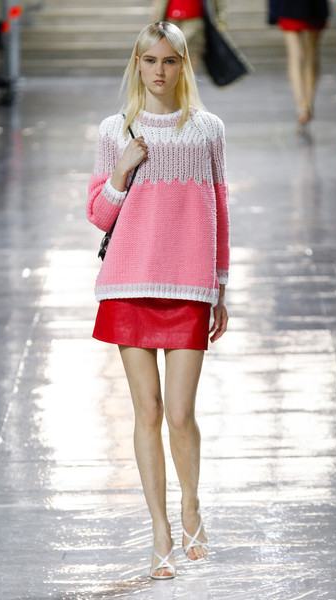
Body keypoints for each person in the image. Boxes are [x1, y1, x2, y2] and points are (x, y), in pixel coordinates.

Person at [86, 22, 230, 580]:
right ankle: (160, 532)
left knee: (180, 414)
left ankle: (191, 507)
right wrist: (122, 168)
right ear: (137, 64)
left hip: (189, 286)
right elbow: (99, 214)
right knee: (145, 412)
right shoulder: (113, 131)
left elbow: (220, 210)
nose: (160, 71)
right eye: (150, 61)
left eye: (170, 61)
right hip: (128, 284)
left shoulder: (208, 130)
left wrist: (221, 285)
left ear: (183, 65)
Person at [268, 0, 329, 130]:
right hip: (312, 6)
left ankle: (301, 107)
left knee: (295, 55)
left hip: (288, 6)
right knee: (311, 54)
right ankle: (308, 104)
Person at [152, 0, 228, 71]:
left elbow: (219, 2)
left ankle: (188, 78)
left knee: (191, 50)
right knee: (170, 50)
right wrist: (156, 21)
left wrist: (220, 18)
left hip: (194, 18)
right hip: (171, 18)